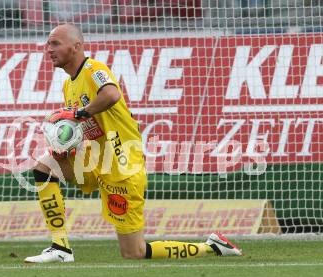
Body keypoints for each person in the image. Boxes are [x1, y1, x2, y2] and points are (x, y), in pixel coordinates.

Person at [24, 24, 242, 263]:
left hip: (122, 166)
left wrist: (79, 114)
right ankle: (60, 247)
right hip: (95, 159)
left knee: (134, 252)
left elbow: (110, 95)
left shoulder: (94, 69)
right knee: (44, 167)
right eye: (48, 44)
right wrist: (66, 145)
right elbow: (87, 125)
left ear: (76, 47)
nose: (48, 49)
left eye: (55, 43)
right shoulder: (69, 84)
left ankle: (213, 247)